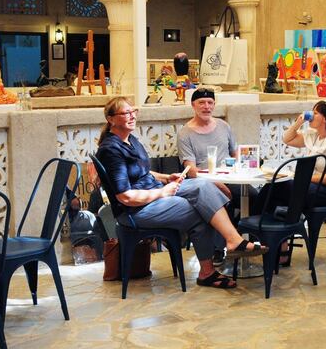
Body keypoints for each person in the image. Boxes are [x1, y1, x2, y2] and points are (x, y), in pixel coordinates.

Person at [95, 97, 267, 289]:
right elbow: (125, 197)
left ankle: (230, 242)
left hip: (152, 194)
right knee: (201, 209)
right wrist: (163, 192)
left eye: (133, 111)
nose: (132, 116)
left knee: (203, 184)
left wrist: (166, 178)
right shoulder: (111, 150)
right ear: (111, 119)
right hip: (135, 211)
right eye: (125, 113)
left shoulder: (129, 140)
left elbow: (142, 172)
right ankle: (210, 268)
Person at [255, 100, 326, 264]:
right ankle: (280, 246)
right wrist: (298, 123)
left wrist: (300, 179)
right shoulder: (313, 135)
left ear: (325, 119)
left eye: (315, 113)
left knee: (282, 188)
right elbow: (287, 139)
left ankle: (257, 230)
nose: (310, 115)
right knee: (275, 190)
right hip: (314, 186)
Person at [177, 87, 238, 199]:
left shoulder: (224, 126)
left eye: (210, 102)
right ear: (193, 105)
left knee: (257, 197)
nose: (206, 107)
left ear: (214, 105)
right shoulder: (184, 134)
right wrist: (216, 183)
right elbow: (191, 170)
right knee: (224, 201)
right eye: (201, 103)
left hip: (231, 179)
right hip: (205, 184)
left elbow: (236, 154)